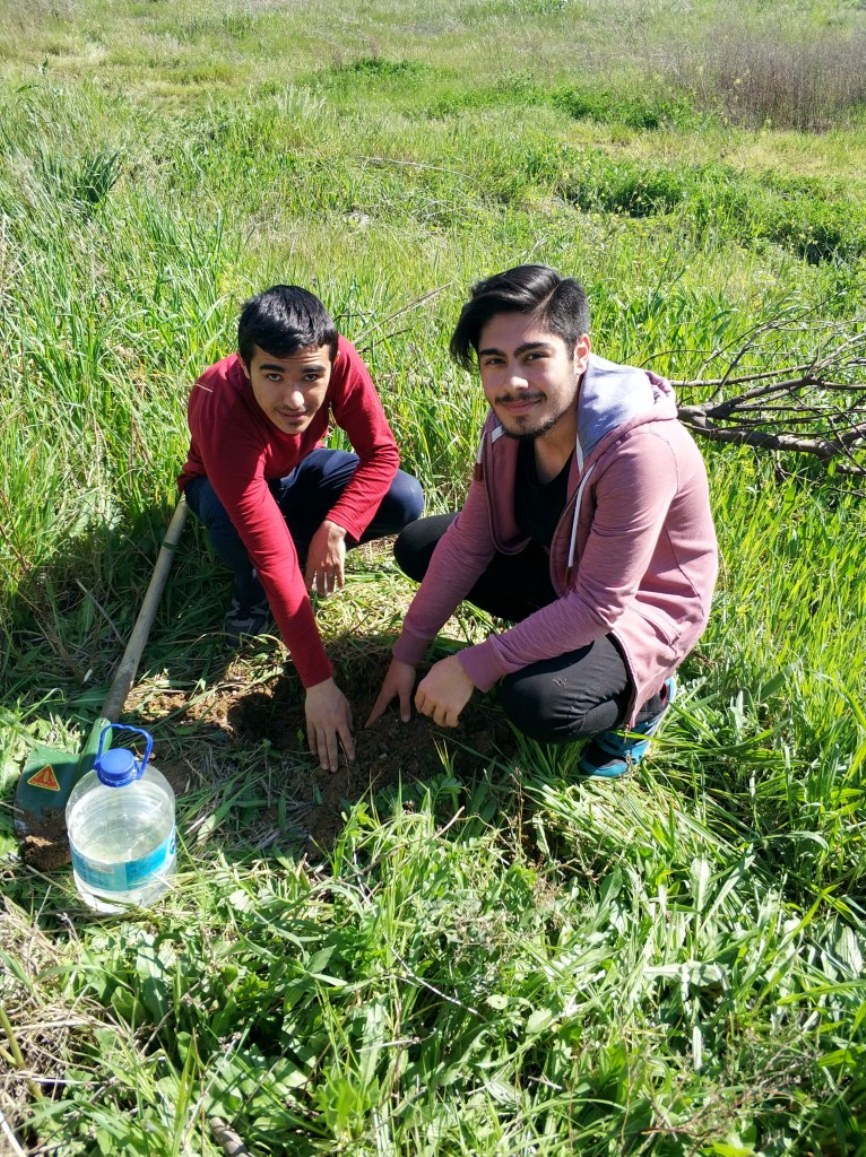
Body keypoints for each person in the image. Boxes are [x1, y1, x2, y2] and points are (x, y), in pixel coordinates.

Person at [367, 264, 717, 777]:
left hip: (641, 607)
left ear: (579, 354)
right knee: (421, 544)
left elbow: (601, 604)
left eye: (534, 357)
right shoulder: (511, 420)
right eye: (495, 361)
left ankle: (650, 698)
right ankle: (544, 638)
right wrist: (407, 652)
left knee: (537, 701)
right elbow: (471, 539)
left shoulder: (639, 451)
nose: (512, 382)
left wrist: (475, 664)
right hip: (564, 570)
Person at [179, 284, 424, 772]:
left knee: (404, 496)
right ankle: (251, 598)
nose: (294, 398)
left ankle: (303, 536)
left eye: (311, 376)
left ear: (329, 363)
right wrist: (317, 681)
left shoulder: (336, 357)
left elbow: (381, 455)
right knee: (256, 550)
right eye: (272, 375)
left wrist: (337, 525)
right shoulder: (219, 401)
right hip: (223, 482)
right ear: (245, 366)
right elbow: (273, 558)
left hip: (299, 468)